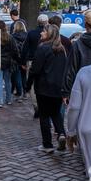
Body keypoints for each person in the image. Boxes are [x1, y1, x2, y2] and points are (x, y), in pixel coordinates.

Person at [26, 24, 67, 153]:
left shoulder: (43, 48)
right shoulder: (62, 50)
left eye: (43, 31)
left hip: (43, 87)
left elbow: (35, 69)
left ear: (49, 34)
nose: (41, 33)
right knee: (56, 113)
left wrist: (28, 84)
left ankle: (47, 144)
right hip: (58, 88)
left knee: (44, 115)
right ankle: (61, 134)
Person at [62, 9, 91, 103]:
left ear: (85, 25)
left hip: (83, 89)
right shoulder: (77, 45)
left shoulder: (77, 45)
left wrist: (65, 92)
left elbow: (71, 69)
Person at [21, 14, 49, 117]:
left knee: (32, 83)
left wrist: (23, 62)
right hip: (46, 61)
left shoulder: (31, 33)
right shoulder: (49, 34)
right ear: (47, 22)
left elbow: (25, 48)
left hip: (32, 61)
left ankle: (36, 105)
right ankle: (43, 105)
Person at [0, 20, 20, 108]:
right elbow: (15, 50)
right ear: (5, 27)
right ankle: (9, 99)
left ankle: (0, 101)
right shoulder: (10, 37)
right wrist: (17, 59)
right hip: (8, 62)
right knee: (8, 81)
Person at [12, 21, 28, 100]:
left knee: (17, 76)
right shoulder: (27, 36)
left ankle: (19, 92)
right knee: (24, 76)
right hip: (24, 59)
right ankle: (25, 92)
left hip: (16, 59)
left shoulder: (12, 36)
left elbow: (13, 49)